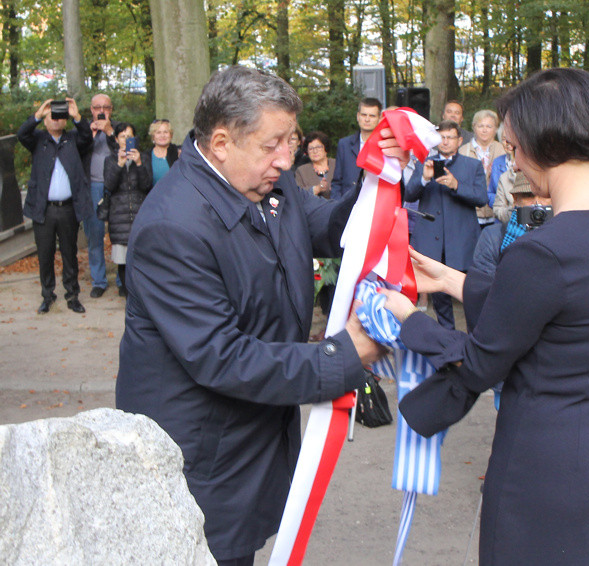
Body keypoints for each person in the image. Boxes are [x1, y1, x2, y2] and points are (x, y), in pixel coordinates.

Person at [382, 67, 589, 564]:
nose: (514, 161)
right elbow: (560, 311)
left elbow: (481, 364)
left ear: (540, 143)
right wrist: (451, 280)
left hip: (551, 470)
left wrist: (410, 320)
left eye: (513, 148)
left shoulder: (545, 250)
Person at [115, 66, 384, 564]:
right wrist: (341, 354)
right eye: (272, 145)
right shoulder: (173, 227)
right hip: (201, 466)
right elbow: (223, 357)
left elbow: (329, 225)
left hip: (250, 443)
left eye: (291, 141)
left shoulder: (264, 186)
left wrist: (381, 184)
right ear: (220, 142)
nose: (287, 159)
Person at [404, 120, 487, 330]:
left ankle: (475, 337)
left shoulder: (472, 165)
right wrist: (424, 178)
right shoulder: (425, 163)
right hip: (432, 241)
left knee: (470, 292)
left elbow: (481, 198)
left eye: (450, 137)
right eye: (441, 137)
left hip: (461, 240)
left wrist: (456, 185)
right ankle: (448, 339)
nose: (445, 142)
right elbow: (408, 194)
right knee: (439, 297)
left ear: (460, 140)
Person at [18, 98, 92, 314]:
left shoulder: (73, 139)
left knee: (70, 253)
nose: (56, 120)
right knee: (45, 254)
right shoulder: (38, 139)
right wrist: (38, 114)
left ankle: (72, 295)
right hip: (44, 208)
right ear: (45, 120)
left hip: (68, 208)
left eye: (60, 116)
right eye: (52, 116)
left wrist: (77, 116)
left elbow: (87, 136)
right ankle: (47, 295)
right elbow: (22, 134)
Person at [103, 122, 152, 297]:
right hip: (119, 215)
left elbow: (147, 185)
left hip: (139, 213)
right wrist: (118, 165)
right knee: (122, 260)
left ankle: (143, 295)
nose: (126, 140)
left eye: (130, 136)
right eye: (123, 136)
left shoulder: (144, 157)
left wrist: (138, 163)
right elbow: (109, 185)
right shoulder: (110, 159)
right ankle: (126, 293)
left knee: (142, 258)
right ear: (116, 139)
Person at [82, 93, 119, 298]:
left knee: (119, 235)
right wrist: (90, 136)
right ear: (91, 110)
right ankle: (99, 281)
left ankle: (123, 280)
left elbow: (126, 148)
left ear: (111, 110)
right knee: (94, 235)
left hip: (116, 187)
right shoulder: (84, 130)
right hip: (93, 187)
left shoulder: (119, 128)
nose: (102, 111)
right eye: (98, 107)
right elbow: (77, 152)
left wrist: (111, 132)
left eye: (106, 107)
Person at [460, 109, 504, 227]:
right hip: (471, 214)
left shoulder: (503, 151)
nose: (484, 130)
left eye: (489, 126)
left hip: (496, 214)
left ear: (495, 129)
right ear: (474, 127)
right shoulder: (464, 151)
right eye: (481, 126)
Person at [332, 97, 382, 199]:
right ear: (358, 116)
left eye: (372, 116)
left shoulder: (385, 146)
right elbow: (337, 182)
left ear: (379, 118)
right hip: (348, 205)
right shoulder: (344, 144)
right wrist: (337, 206)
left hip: (375, 204)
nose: (367, 119)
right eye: (364, 115)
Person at [294, 131, 334, 198]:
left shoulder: (337, 164)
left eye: (318, 147)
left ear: (325, 148)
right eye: (311, 148)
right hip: (314, 207)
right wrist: (316, 189)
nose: (315, 151)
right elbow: (298, 194)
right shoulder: (301, 171)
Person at [147, 118, 179, 187]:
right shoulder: (146, 156)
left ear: (171, 135)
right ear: (153, 136)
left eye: (165, 132)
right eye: (158, 132)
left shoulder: (179, 152)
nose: (162, 135)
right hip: (155, 195)